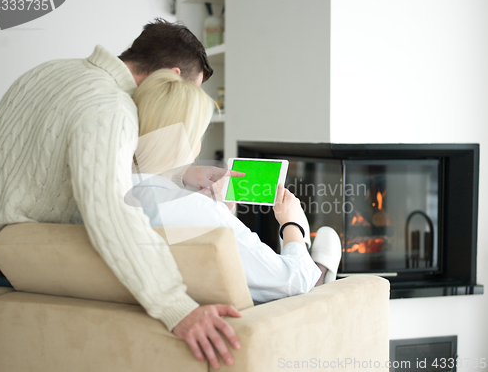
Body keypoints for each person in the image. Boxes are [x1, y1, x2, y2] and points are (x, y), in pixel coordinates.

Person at [0, 19, 243, 369]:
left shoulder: (49, 72)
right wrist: (177, 307)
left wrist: (183, 173)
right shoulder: (112, 108)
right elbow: (110, 211)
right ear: (170, 76)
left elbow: (61, 164)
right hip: (11, 272)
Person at [130, 70, 342, 306]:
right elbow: (294, 282)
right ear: (187, 143)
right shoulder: (200, 212)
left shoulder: (115, 193)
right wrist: (291, 224)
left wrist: (211, 211)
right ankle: (319, 276)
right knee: (305, 274)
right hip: (256, 315)